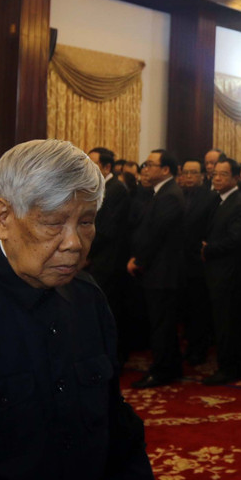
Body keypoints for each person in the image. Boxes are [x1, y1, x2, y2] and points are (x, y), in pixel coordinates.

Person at [0, 139, 163, 480]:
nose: (74, 243)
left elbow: (117, 434)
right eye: (53, 222)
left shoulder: (88, 300)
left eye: (86, 222)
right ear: (3, 218)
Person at [128, 149, 185, 388]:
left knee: (162, 324)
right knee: (163, 323)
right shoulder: (160, 192)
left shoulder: (169, 195)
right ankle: (170, 367)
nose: (145, 169)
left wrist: (139, 260)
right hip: (160, 270)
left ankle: (162, 371)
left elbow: (156, 234)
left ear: (165, 170)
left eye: (151, 165)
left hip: (163, 271)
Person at [202, 158, 241, 385]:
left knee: (227, 324)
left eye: (223, 174)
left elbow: (235, 239)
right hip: (216, 271)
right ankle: (227, 364)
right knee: (220, 322)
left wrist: (208, 248)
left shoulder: (239, 202)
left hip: (228, 273)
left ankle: (229, 368)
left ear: (235, 178)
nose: (217, 178)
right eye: (215, 174)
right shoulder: (218, 199)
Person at [87, 147, 132, 364]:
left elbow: (106, 229)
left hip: (110, 261)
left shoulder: (116, 189)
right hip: (97, 259)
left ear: (106, 167)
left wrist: (85, 252)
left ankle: (115, 359)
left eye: (92, 162)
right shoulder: (96, 187)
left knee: (111, 312)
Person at [178, 158, 217, 366]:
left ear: (202, 175)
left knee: (199, 310)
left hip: (199, 262)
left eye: (194, 173)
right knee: (185, 309)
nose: (190, 177)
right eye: (186, 173)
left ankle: (199, 350)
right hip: (180, 261)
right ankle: (189, 346)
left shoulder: (210, 197)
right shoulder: (179, 194)